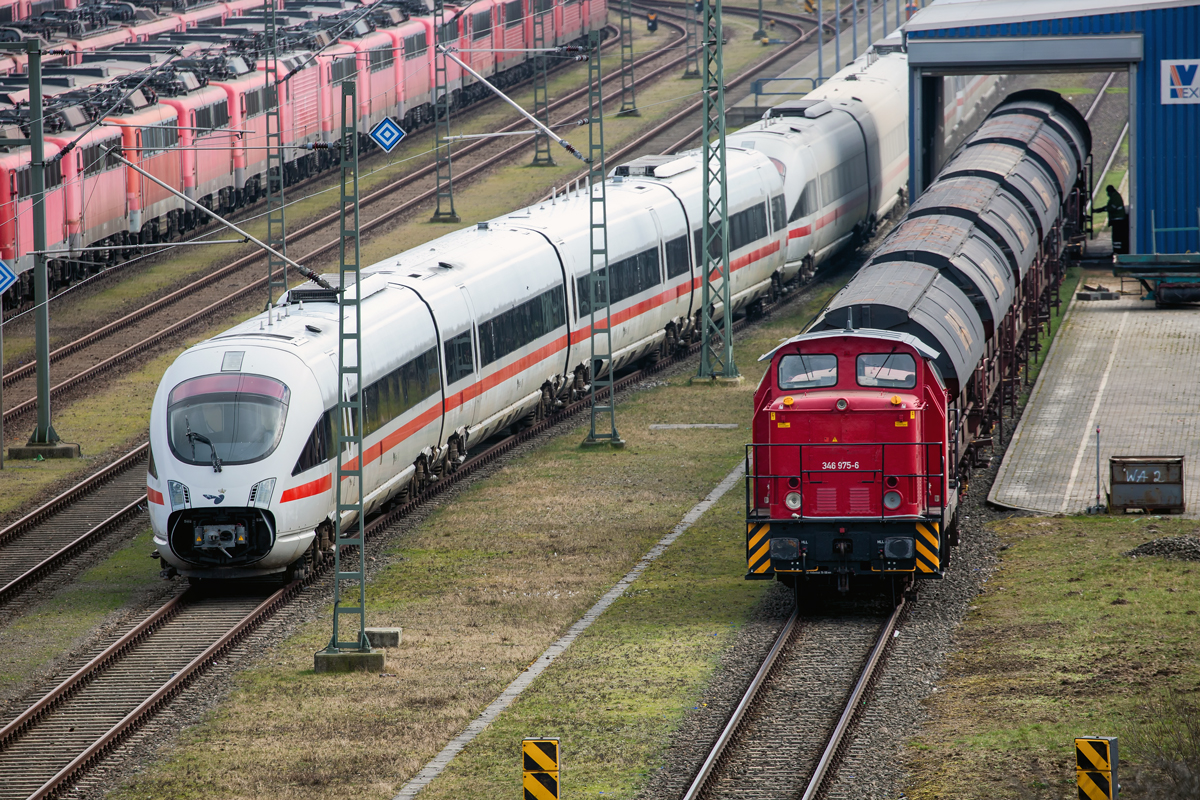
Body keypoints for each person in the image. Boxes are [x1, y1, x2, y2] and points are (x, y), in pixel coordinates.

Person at [1104, 185, 1128, 255]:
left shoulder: (1115, 197)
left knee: (1117, 237)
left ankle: (1118, 251)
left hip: (1118, 220)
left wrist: (1103, 209)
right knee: (1116, 237)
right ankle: (1116, 251)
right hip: (1116, 220)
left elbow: (1112, 208)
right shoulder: (1114, 197)